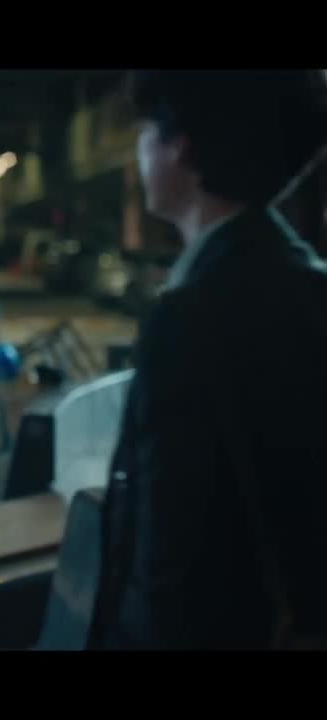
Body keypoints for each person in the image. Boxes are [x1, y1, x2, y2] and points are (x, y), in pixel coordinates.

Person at [89, 70, 327, 650]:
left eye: (147, 129)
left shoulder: (188, 318)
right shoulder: (311, 287)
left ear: (181, 146)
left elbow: (169, 547)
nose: (140, 146)